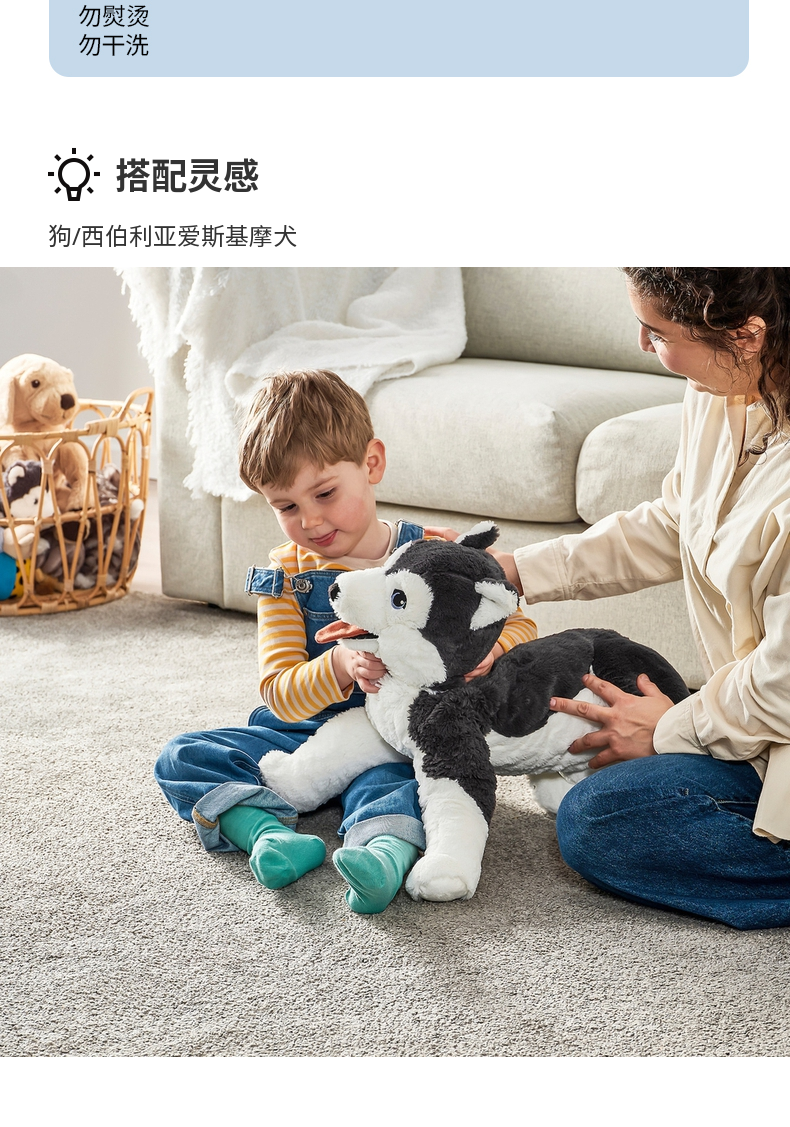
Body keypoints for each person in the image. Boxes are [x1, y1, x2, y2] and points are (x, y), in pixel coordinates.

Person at [154, 368, 536, 914]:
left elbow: (515, 622)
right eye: (286, 506)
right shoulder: (285, 577)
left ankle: (382, 856)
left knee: (403, 781)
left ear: (371, 464)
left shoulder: (431, 555)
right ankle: (265, 833)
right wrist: (336, 665)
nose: (310, 520)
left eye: (325, 493)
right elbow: (279, 692)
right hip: (302, 731)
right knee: (183, 757)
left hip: (397, 735)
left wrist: (493, 651)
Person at [480, 267, 790, 930]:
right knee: (610, 770)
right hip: (764, 726)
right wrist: (516, 570)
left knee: (598, 821)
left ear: (747, 334)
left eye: (659, 332)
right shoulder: (723, 389)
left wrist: (672, 730)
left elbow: (784, 683)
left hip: (781, 715)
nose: (642, 344)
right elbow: (678, 521)